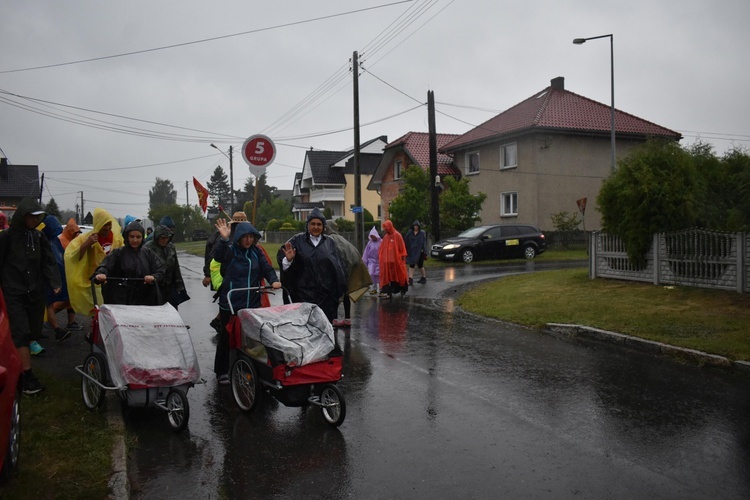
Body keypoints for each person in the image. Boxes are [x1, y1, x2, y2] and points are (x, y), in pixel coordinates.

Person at [0, 198, 62, 394]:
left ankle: (16, 366)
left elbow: (48, 261)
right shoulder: (6, 237)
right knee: (21, 331)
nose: (35, 221)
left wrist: (54, 282)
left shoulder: (38, 237)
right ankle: (27, 377)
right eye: (32, 217)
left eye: (38, 218)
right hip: (13, 291)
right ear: (23, 216)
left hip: (34, 291)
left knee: (33, 332)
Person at [212, 218, 281, 385]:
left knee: (252, 338)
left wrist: (273, 280)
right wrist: (223, 239)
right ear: (239, 237)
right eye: (245, 237)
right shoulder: (231, 250)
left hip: (252, 302)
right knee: (227, 337)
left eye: (251, 237)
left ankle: (251, 368)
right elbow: (219, 256)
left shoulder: (256, 252)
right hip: (231, 302)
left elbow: (266, 268)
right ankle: (222, 370)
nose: (248, 240)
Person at [277, 208, 347, 323]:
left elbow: (338, 267)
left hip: (326, 297)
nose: (316, 227)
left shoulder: (330, 243)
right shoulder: (297, 241)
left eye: (319, 224)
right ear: (307, 225)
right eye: (313, 224)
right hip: (302, 296)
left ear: (323, 226)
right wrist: (288, 260)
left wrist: (338, 291)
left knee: (323, 328)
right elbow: (283, 261)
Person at [64, 207, 123, 315]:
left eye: (109, 224)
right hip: (95, 281)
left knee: (112, 311)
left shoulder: (116, 238)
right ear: (98, 224)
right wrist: (87, 244)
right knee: (99, 311)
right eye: (105, 224)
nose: (108, 228)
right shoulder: (85, 238)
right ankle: (97, 330)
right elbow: (72, 257)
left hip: (112, 280)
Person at [94, 220, 164, 306]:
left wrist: (153, 277)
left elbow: (160, 270)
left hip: (144, 299)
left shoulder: (148, 253)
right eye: (132, 236)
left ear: (142, 238)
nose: (135, 240)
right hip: (120, 300)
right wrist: (101, 274)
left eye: (138, 237)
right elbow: (105, 266)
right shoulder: (118, 253)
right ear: (126, 237)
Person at [325, 221, 372, 327]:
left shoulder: (330, 240)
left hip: (340, 270)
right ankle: (347, 319)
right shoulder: (341, 239)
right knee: (346, 293)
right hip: (348, 268)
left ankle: (334, 318)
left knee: (335, 295)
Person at [39, 215, 77, 342]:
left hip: (54, 277)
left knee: (50, 304)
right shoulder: (41, 239)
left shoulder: (53, 240)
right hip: (44, 278)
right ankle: (54, 329)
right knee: (47, 304)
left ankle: (45, 328)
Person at [144, 224, 188, 309]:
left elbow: (176, 267)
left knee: (172, 312)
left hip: (170, 286)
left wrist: (179, 285)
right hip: (155, 287)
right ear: (157, 237)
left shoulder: (171, 247)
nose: (164, 240)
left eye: (167, 238)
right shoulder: (148, 248)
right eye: (162, 238)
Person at [378, 220, 409, 298]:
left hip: (397, 262)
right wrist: (382, 259)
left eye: (386, 228)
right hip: (388, 263)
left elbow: (402, 248)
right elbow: (383, 249)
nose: (386, 230)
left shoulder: (397, 235)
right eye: (385, 229)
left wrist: (401, 257)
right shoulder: (386, 237)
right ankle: (389, 292)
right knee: (389, 277)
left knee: (400, 275)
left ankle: (403, 289)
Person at [404, 220, 429, 285]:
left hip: (419, 252)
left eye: (417, 226)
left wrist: (425, 252)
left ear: (419, 227)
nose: (416, 227)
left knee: (420, 265)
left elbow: (423, 243)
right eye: (415, 226)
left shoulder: (421, 233)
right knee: (411, 265)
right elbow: (406, 241)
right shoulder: (410, 233)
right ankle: (410, 279)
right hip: (412, 251)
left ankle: (423, 277)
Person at [362, 226, 382, 295]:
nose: (373, 238)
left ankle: (381, 288)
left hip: (379, 261)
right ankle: (374, 288)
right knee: (372, 275)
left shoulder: (381, 242)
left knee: (379, 275)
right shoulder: (369, 243)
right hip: (371, 262)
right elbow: (366, 253)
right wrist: (365, 262)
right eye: (371, 236)